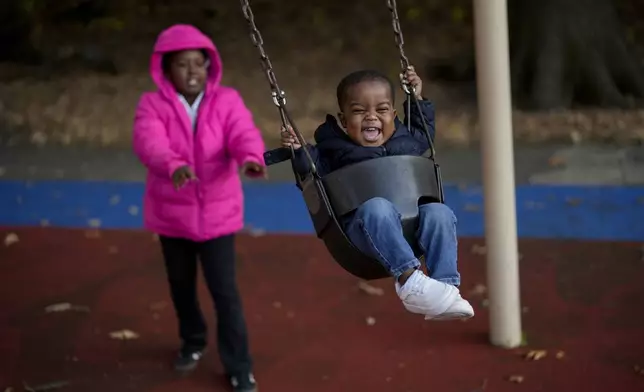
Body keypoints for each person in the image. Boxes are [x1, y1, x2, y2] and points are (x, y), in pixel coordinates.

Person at [281, 67, 474, 321]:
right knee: (377, 207)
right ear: (344, 119)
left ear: (394, 115)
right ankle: (410, 281)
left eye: (381, 110)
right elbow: (311, 173)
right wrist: (297, 150)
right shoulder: (333, 151)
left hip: (409, 229)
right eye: (360, 111)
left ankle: (445, 288)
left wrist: (416, 98)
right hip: (361, 235)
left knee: (439, 212)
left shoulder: (406, 140)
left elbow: (423, 130)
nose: (371, 117)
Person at [133, 24, 265, 392]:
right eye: (182, 64)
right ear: (166, 70)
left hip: (217, 217)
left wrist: (250, 157)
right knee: (181, 286)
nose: (192, 71)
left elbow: (242, 132)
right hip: (171, 216)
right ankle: (193, 341)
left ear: (210, 67)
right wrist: (172, 165)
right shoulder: (152, 104)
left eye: (198, 63)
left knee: (225, 292)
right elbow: (149, 141)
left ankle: (239, 365)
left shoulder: (226, 100)